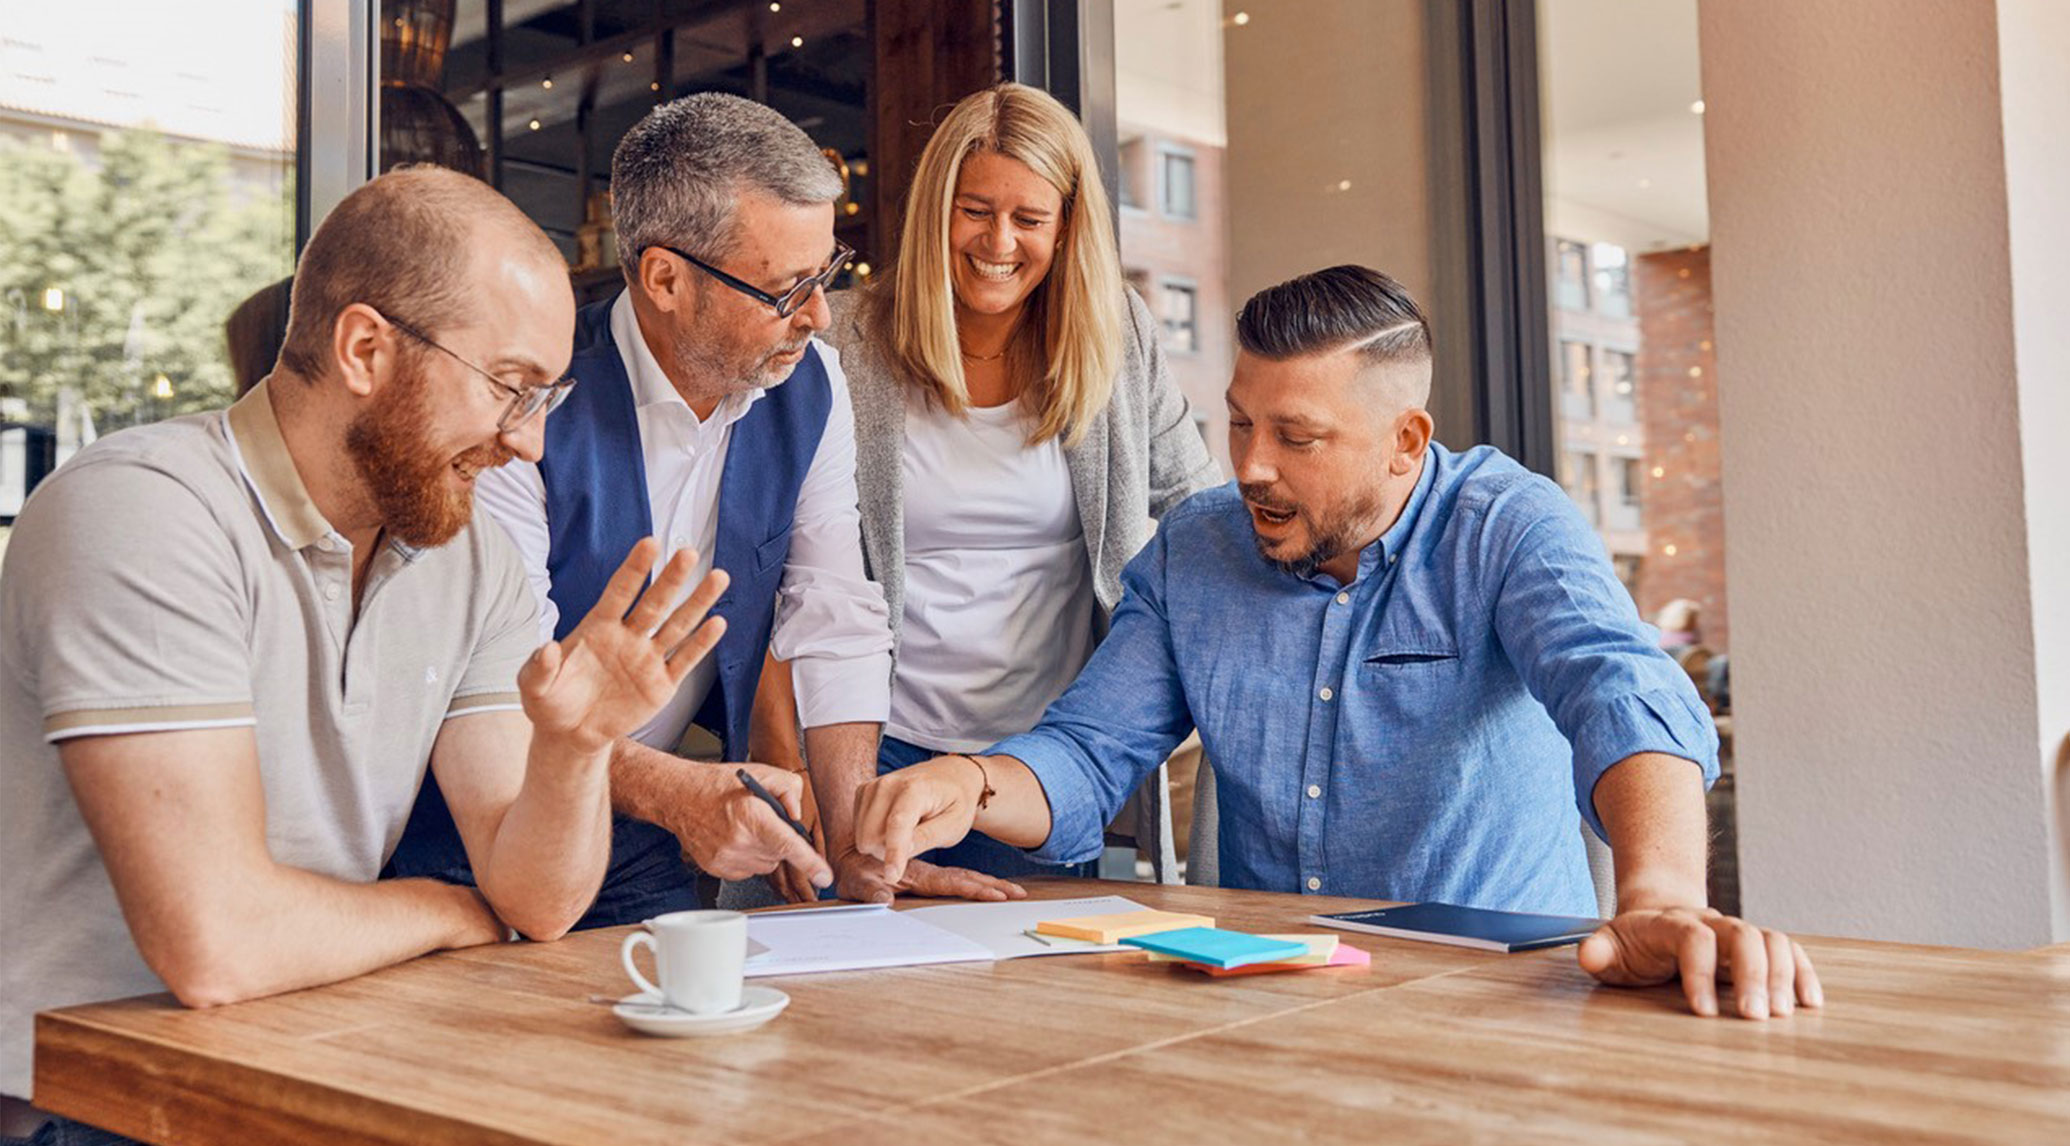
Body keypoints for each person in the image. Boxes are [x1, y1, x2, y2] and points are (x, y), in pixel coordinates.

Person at [851, 265, 1824, 1021]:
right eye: (1237, 424)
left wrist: (1658, 898)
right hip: (1266, 997)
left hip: (1494, 1004)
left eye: (1297, 438)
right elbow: (1088, 752)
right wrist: (965, 782)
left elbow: (1620, 696)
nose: (1253, 466)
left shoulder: (1507, 527)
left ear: (1406, 441)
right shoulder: (1197, 549)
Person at [0, 166, 741, 1143]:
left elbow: (538, 902)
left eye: (544, 401)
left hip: (316, 1048)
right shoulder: (141, 510)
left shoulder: (464, 555)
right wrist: (441, 908)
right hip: (98, 1095)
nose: (526, 445)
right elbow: (216, 947)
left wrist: (574, 750)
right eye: (511, 388)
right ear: (364, 349)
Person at [384, 93, 1008, 917]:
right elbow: (498, 683)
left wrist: (858, 842)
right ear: (665, 279)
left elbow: (833, 616)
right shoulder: (525, 409)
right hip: (463, 832)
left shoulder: (811, 384)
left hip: (637, 845)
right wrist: (676, 792)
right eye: (787, 290)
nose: (819, 316)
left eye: (825, 275)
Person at [755, 82, 1221, 883]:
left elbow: (1200, 514)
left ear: (1067, 227)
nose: (999, 241)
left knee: (1030, 994)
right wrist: (788, 765)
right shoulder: (844, 343)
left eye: (1030, 219)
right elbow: (774, 576)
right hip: (874, 755)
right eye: (975, 210)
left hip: (1037, 769)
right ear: (938, 209)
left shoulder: (1118, 337)